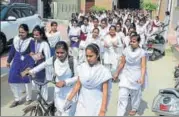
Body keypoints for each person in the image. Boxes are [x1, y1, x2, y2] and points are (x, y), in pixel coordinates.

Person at [22, 41, 78, 116]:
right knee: (59, 111)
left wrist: (65, 82)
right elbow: (43, 65)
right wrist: (31, 71)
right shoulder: (54, 59)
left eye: (62, 52)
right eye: (57, 52)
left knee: (67, 114)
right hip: (58, 92)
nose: (59, 55)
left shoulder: (73, 61)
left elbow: (78, 77)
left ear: (67, 51)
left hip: (70, 92)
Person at [63, 44, 112, 116]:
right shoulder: (82, 67)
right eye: (87, 56)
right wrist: (69, 99)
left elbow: (105, 92)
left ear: (97, 55)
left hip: (96, 103)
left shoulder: (104, 71)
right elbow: (78, 85)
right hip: (82, 102)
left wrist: (102, 110)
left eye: (91, 56)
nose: (88, 58)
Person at [113, 33, 148, 116]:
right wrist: (117, 73)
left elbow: (143, 67)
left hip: (136, 74)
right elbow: (122, 63)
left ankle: (134, 108)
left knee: (135, 94)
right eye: (131, 41)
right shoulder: (126, 50)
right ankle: (120, 114)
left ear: (138, 42)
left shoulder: (142, 52)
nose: (132, 43)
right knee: (122, 95)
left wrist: (142, 78)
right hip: (126, 74)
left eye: (134, 41)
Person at [7, 24, 35, 108]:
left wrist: (31, 65)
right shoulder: (16, 39)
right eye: (19, 32)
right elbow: (12, 51)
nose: (20, 34)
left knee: (26, 80)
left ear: (27, 32)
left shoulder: (31, 41)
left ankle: (28, 98)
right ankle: (17, 99)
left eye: (22, 32)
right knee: (12, 80)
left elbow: (33, 53)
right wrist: (8, 61)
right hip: (16, 62)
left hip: (26, 62)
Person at [32, 25, 51, 101]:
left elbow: (48, 57)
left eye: (37, 35)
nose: (35, 36)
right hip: (36, 66)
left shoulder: (45, 44)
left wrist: (42, 57)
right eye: (34, 35)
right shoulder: (35, 42)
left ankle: (44, 99)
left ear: (41, 35)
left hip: (43, 67)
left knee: (43, 85)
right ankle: (39, 97)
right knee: (36, 83)